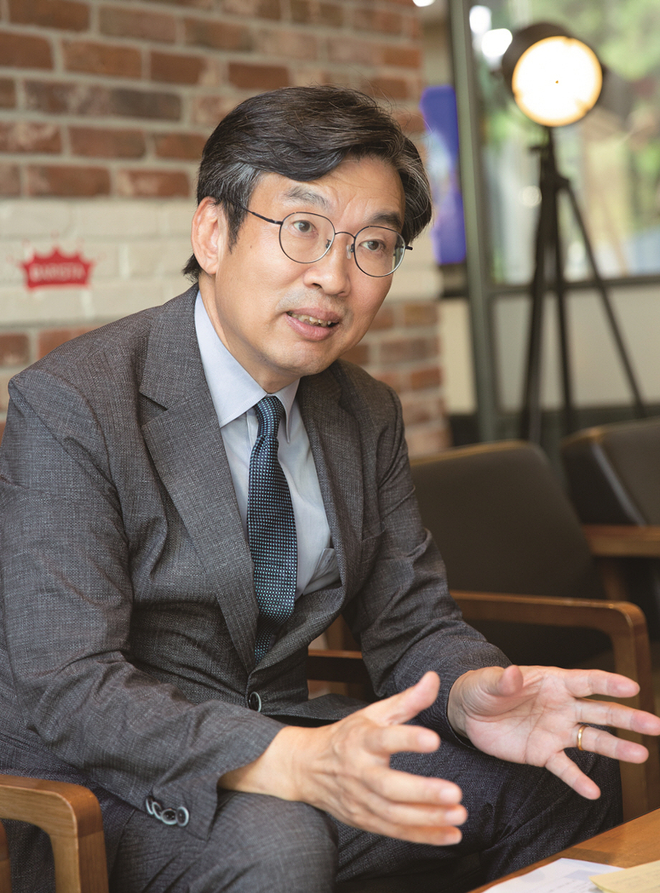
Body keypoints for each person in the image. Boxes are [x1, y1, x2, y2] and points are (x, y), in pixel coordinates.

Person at [0, 85, 658, 893]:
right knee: (279, 841)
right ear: (213, 233)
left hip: (294, 736)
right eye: (303, 228)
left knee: (562, 766)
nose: (334, 278)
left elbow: (411, 621)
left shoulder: (362, 409)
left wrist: (471, 693)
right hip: (113, 782)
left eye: (372, 244)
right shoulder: (74, 403)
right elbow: (70, 684)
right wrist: (283, 757)